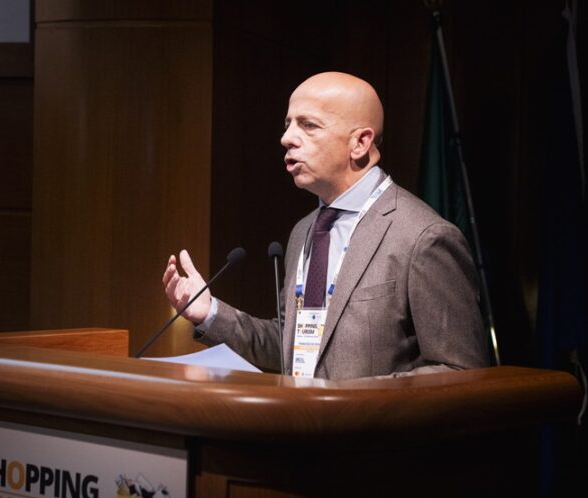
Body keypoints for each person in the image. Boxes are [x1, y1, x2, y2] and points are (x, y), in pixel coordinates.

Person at [163, 71, 489, 379]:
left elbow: (459, 372)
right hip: (300, 419)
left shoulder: (424, 238)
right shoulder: (304, 232)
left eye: (308, 125)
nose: (287, 138)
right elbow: (293, 348)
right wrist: (209, 312)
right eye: (288, 125)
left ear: (360, 143)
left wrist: (352, 402)